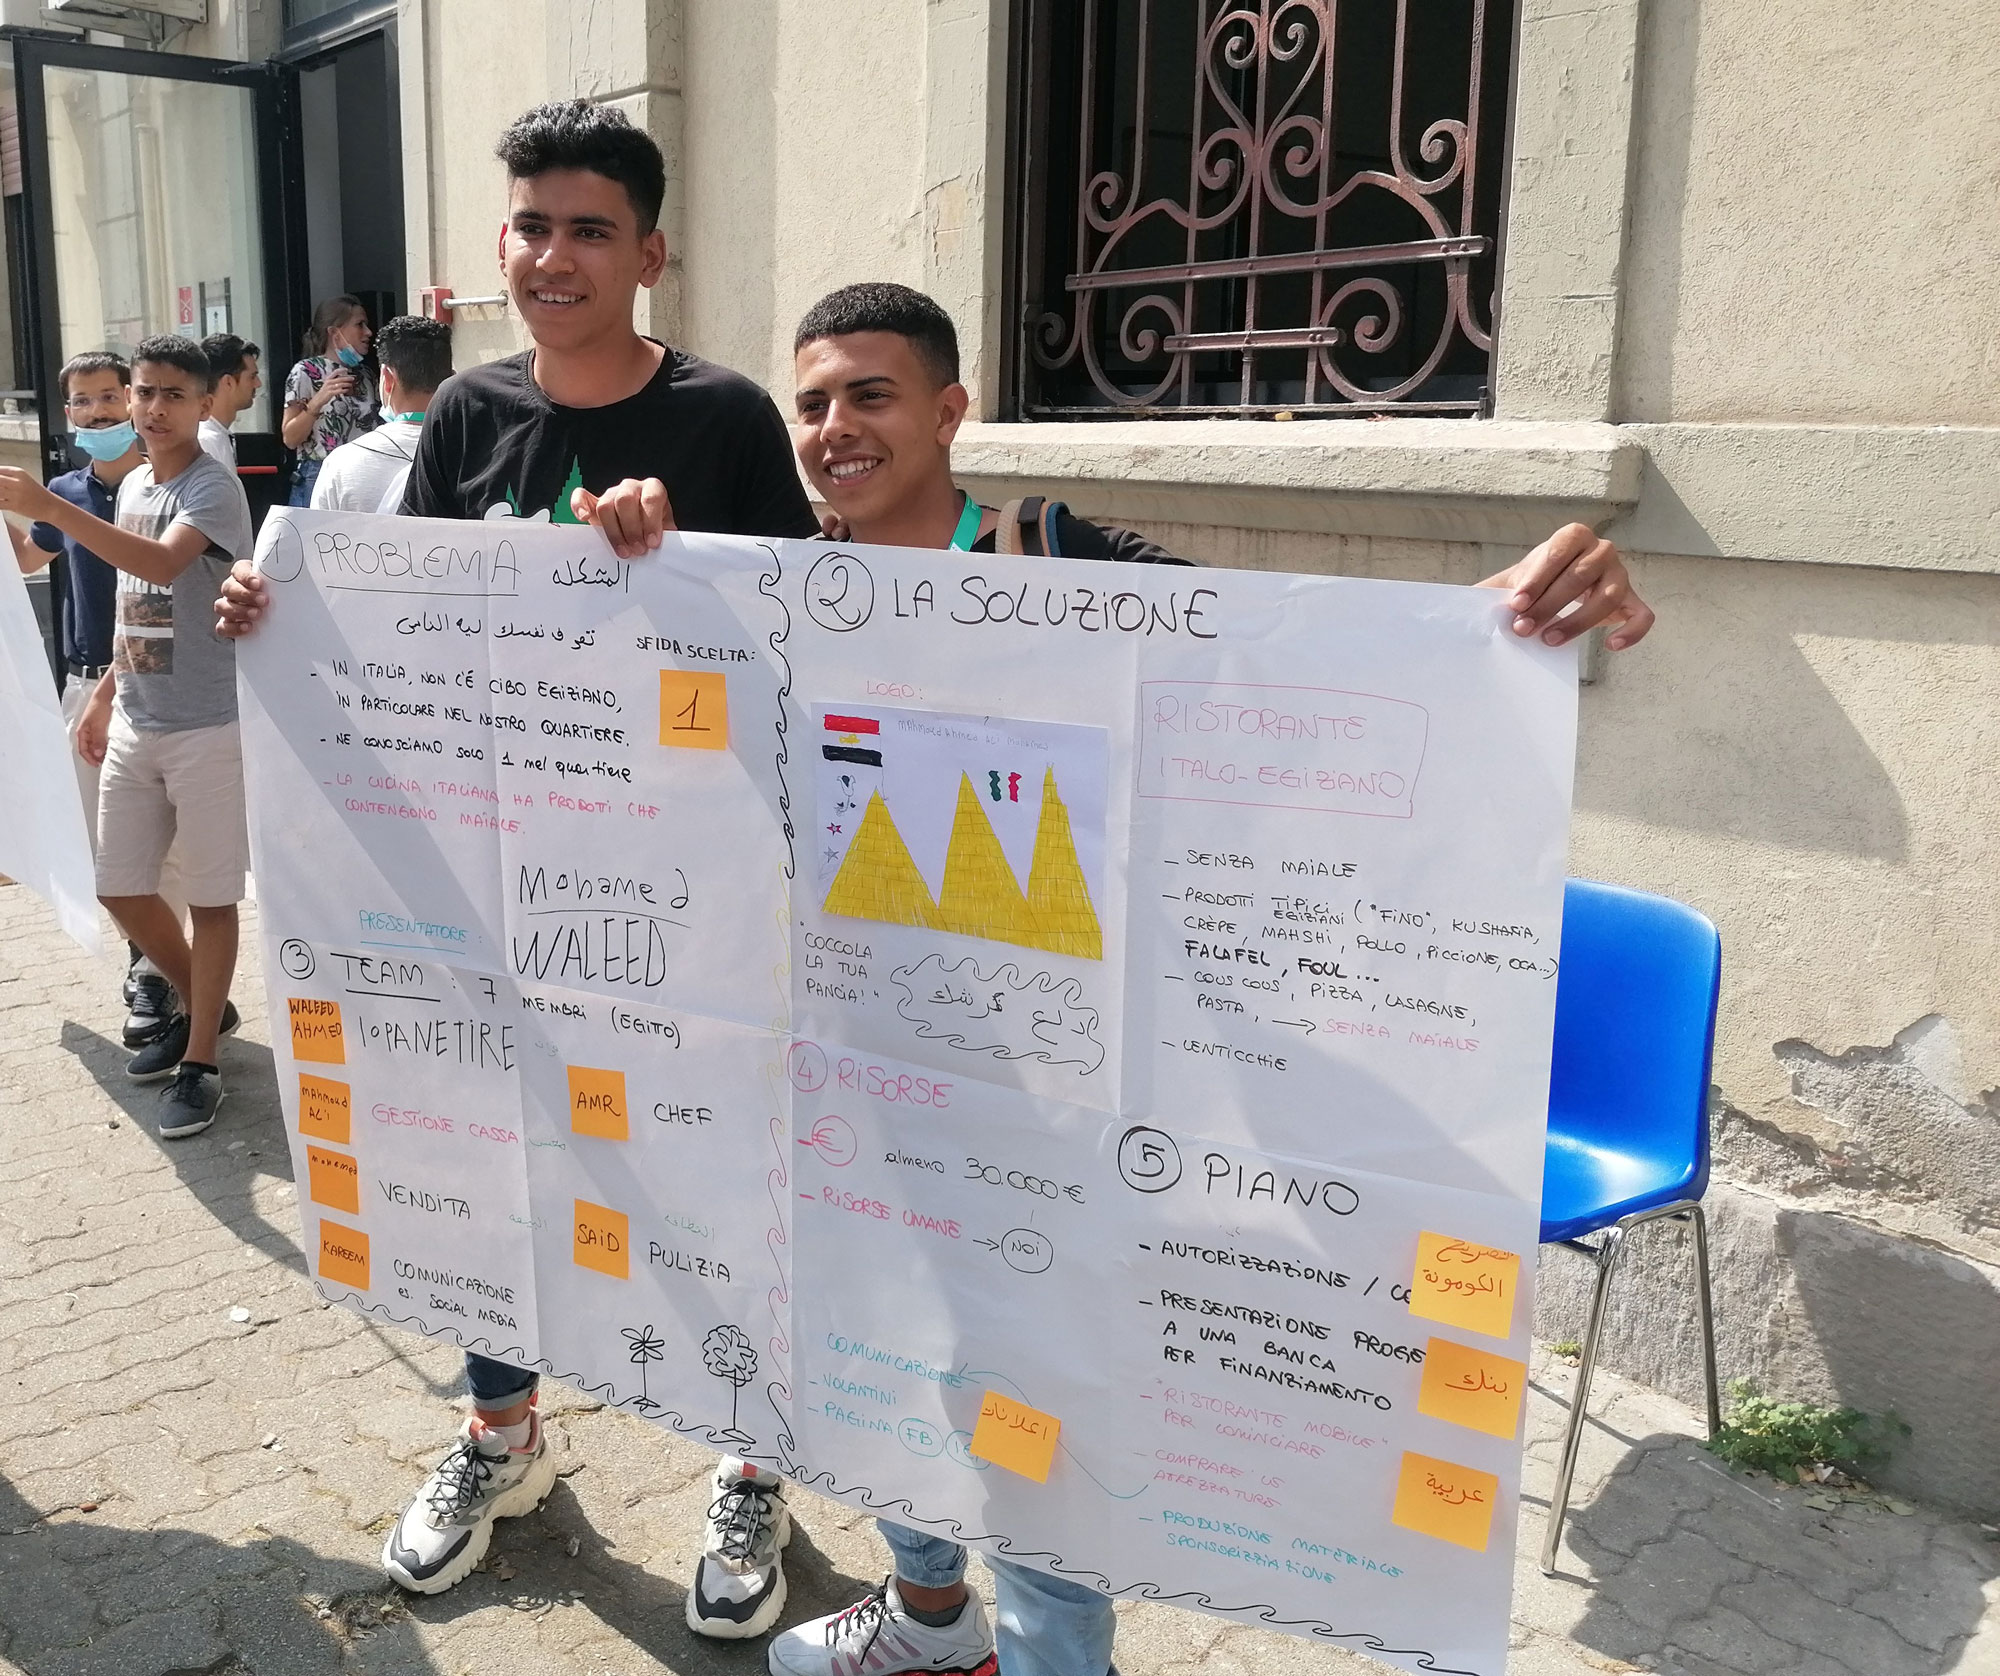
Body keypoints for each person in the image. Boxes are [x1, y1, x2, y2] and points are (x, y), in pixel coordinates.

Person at [759, 282, 1655, 1676]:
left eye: (869, 396)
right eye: (811, 401)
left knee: (1031, 1394)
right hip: (866, 1065)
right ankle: (928, 1614)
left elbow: (1296, 656)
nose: (835, 427)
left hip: (1056, 1087)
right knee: (879, 1340)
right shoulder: (768, 589)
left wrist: (1493, 617)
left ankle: (1061, 1660)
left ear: (947, 413)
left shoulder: (1063, 557)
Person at [215, 99, 819, 1627]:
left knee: (713, 1170)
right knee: (493, 1167)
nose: (554, 254)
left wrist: (679, 567)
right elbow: (405, 621)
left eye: (589, 228)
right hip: (499, 892)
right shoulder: (468, 418)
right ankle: (503, 1432)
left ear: (650, 253)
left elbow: (812, 641)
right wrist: (274, 608)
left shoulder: (730, 418)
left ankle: (751, 1456)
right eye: (532, 225)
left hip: (694, 904)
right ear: (501, 247)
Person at [0, 336, 253, 1136]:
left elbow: (161, 563)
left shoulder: (212, 490)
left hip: (210, 726)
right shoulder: (138, 479)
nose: (150, 409)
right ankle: (206, 1003)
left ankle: (202, 1060)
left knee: (211, 900)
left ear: (208, 403)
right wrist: (107, 694)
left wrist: (51, 509)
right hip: (139, 716)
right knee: (120, 886)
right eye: (143, 392)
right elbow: (137, 606)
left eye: (171, 395)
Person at [7, 350, 189, 1049]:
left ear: (138, 401)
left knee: (153, 848)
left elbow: (162, 596)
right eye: (81, 403)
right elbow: (32, 558)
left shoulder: (162, 486)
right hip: (85, 684)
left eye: (109, 397)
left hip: (152, 680)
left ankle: (156, 977)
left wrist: (116, 691)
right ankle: (166, 968)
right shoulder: (65, 490)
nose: (97, 413)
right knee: (98, 846)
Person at [309, 315, 451, 513]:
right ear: (452, 378)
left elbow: (318, 539)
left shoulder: (342, 464)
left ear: (387, 378)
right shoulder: (478, 454)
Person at [282, 296, 375, 506]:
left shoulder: (367, 375)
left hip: (361, 474)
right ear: (335, 333)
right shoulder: (305, 372)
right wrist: (318, 401)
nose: (368, 332)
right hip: (318, 473)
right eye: (360, 325)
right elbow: (290, 438)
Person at [197, 333, 262, 471]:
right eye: (252, 377)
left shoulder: (214, 435)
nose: (258, 384)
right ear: (228, 382)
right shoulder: (206, 441)